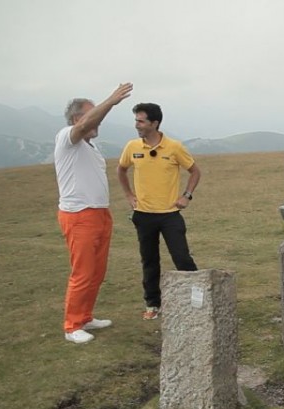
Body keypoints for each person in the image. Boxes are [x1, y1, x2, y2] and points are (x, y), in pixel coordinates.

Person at [54, 83, 134, 344]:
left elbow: (89, 123)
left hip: (99, 213)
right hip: (79, 215)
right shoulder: (67, 137)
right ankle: (72, 325)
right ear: (79, 118)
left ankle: (85, 316)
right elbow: (83, 125)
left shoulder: (89, 146)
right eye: (93, 114)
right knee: (83, 271)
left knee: (97, 271)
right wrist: (110, 101)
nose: (98, 120)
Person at [117, 103, 201, 320]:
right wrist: (128, 195)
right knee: (149, 260)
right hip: (143, 215)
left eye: (141, 121)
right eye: (136, 120)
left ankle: (197, 300)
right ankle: (153, 304)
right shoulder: (132, 147)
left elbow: (194, 171)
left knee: (182, 258)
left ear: (154, 123)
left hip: (170, 215)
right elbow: (121, 169)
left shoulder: (174, 147)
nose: (137, 125)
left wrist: (187, 195)